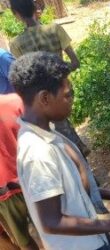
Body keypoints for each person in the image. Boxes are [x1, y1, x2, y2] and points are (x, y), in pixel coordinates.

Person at [10, 52, 110, 250]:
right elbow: (51, 221)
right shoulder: (37, 154)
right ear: (45, 98)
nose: (72, 100)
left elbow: (70, 192)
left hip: (94, 238)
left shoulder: (47, 133)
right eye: (68, 95)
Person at [9, 0, 89, 157]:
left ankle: (81, 161)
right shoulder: (55, 29)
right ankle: (79, 150)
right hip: (63, 90)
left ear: (16, 15)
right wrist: (57, 76)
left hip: (42, 99)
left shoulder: (16, 44)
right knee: (62, 130)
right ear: (35, 8)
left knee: (59, 139)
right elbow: (75, 62)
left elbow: (24, 75)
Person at [0, 93, 39, 250]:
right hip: (35, 177)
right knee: (59, 225)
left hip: (5, 194)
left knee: (24, 242)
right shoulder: (16, 101)